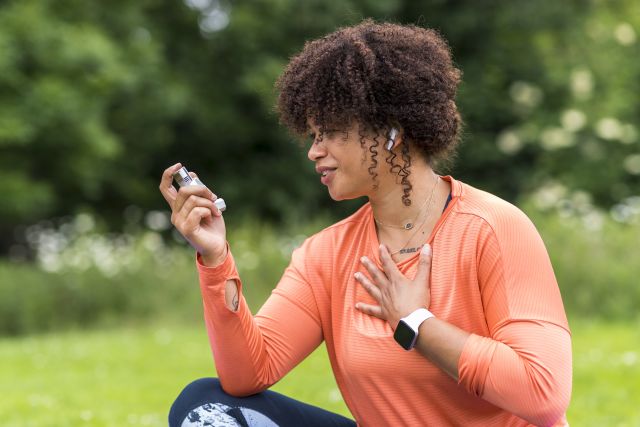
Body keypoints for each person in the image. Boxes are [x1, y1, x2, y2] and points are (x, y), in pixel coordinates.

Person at [161, 20, 572, 427]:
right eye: (312, 135)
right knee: (205, 407)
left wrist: (417, 324)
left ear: (391, 132)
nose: (313, 152)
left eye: (330, 133)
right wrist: (215, 257)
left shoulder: (495, 228)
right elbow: (248, 374)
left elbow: (543, 394)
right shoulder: (326, 254)